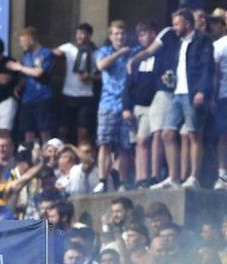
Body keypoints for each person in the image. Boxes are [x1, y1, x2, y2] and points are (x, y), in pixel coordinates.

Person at [149, 9, 215, 189]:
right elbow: (179, 67)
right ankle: (174, 177)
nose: (174, 28)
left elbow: (207, 67)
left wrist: (202, 91)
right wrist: (169, 77)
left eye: (177, 24)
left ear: (187, 23)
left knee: (194, 133)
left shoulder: (202, 40)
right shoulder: (179, 43)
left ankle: (194, 177)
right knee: (167, 133)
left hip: (192, 93)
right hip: (177, 93)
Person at [94, 20, 137, 192]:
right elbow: (101, 65)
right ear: (110, 36)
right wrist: (120, 54)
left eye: (122, 33)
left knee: (125, 146)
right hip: (108, 105)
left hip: (127, 105)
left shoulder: (133, 51)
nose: (120, 36)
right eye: (116, 34)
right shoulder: (105, 51)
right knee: (105, 144)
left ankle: (124, 181)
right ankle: (102, 180)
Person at [123, 22, 161, 188]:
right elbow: (128, 85)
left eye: (144, 33)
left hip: (155, 104)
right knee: (139, 142)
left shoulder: (161, 55)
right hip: (138, 105)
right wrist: (126, 108)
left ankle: (154, 175)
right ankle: (140, 177)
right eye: (139, 35)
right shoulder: (136, 58)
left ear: (153, 33)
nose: (141, 38)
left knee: (147, 140)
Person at [53, 23, 98, 144]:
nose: (82, 36)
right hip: (68, 93)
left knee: (83, 130)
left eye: (85, 34)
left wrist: (90, 77)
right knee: (63, 128)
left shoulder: (95, 52)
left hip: (86, 95)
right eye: (79, 33)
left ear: (90, 35)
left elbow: (101, 75)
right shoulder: (68, 47)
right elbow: (54, 53)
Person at [8, 26, 54, 144]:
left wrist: (20, 67)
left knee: (44, 130)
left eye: (23, 41)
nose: (21, 45)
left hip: (42, 97)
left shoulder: (46, 53)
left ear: (31, 39)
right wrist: (19, 86)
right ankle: (29, 156)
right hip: (27, 99)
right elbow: (27, 74)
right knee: (28, 131)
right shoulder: (27, 56)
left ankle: (47, 155)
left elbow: (38, 72)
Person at [213, 14, 227, 189]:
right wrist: (212, 97)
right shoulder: (220, 45)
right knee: (224, 136)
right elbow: (214, 74)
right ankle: (222, 176)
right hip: (224, 96)